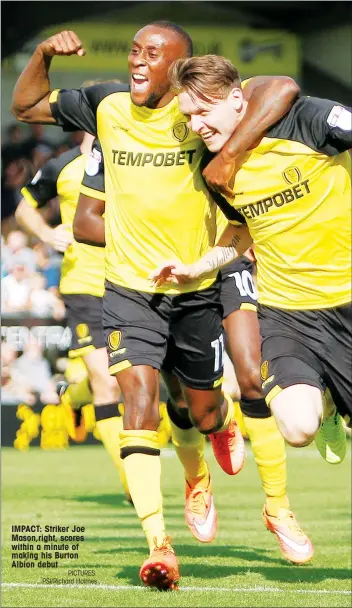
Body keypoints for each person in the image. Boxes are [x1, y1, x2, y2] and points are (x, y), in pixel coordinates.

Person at [12, 23, 300, 590]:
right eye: (133, 52)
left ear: (178, 68)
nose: (137, 63)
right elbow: (24, 105)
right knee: (136, 402)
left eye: (151, 55)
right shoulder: (105, 104)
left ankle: (216, 470)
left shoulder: (198, 113)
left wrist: (231, 150)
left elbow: (279, 86)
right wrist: (45, 52)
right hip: (127, 290)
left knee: (204, 410)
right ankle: (160, 545)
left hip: (196, 286)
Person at [151, 55, 351, 473]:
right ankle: (325, 406)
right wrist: (199, 266)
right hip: (289, 314)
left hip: (346, 299)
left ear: (238, 99)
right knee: (297, 428)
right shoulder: (215, 170)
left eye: (204, 111)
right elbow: (241, 231)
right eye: (189, 116)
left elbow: (281, 84)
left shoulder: (307, 121)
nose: (197, 125)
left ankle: (328, 397)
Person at [15, 129, 130, 498]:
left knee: (125, 379)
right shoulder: (62, 167)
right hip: (83, 285)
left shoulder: (131, 164)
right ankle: (133, 483)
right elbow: (23, 209)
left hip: (131, 286)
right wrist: (47, 235)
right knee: (108, 381)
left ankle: (73, 396)